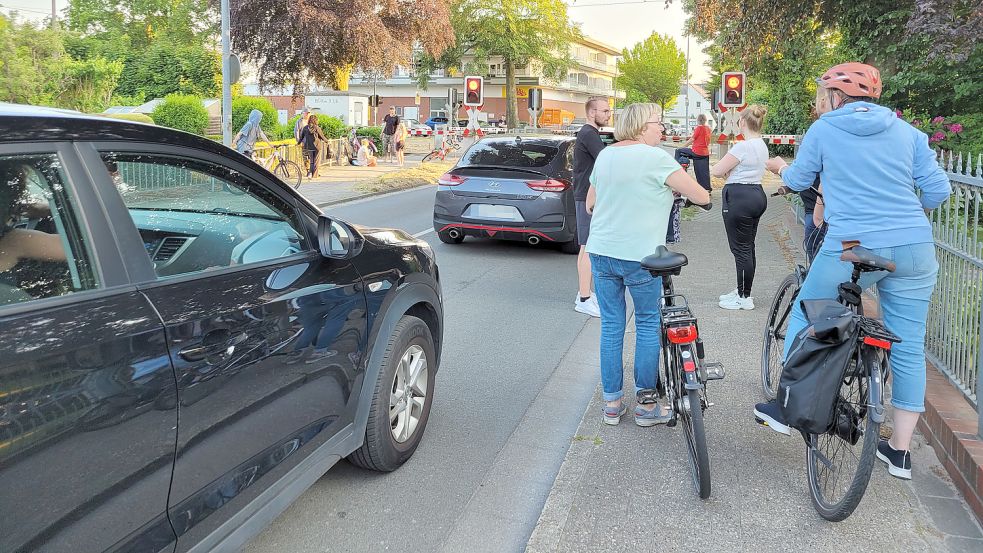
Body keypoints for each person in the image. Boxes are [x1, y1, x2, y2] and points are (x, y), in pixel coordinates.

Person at [754, 62, 950, 481]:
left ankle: (788, 410)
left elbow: (801, 176)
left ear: (835, 97)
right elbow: (937, 190)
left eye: (823, 95)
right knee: (910, 346)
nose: (821, 102)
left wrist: (783, 172)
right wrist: (905, 217)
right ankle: (899, 453)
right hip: (915, 247)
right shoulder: (909, 133)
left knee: (810, 311)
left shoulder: (825, 129)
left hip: (853, 246)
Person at [584, 103, 710, 426]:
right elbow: (701, 196)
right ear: (642, 127)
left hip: (601, 252)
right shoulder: (657, 159)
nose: (662, 129)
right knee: (647, 322)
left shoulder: (606, 156)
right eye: (658, 123)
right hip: (640, 257)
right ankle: (646, 405)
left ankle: (612, 405)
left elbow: (590, 204)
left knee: (612, 326)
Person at [710, 104, 770, 310]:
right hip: (756, 194)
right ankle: (743, 289)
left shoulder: (742, 146)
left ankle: (744, 298)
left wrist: (728, 171)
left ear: (742, 122)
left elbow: (718, 170)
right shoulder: (762, 145)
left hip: (739, 197)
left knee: (741, 249)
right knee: (748, 246)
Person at [571, 97, 612, 318]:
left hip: (586, 195)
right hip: (587, 197)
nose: (608, 114)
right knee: (587, 247)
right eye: (604, 111)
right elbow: (607, 159)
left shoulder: (589, 133)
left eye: (608, 111)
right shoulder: (588, 133)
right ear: (591, 112)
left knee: (586, 246)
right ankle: (584, 298)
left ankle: (584, 293)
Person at [674, 114, 713, 192]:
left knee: (678, 151)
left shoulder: (699, 128)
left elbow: (692, 139)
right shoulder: (708, 129)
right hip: (705, 153)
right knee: (704, 171)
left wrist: (682, 146)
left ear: (698, 120)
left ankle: (677, 169)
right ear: (705, 120)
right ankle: (707, 188)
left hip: (696, 152)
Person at [297, 114, 327, 179]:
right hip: (317, 147)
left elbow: (301, 137)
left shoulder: (305, 128)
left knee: (312, 161)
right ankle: (314, 175)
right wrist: (327, 141)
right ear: (315, 120)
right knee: (316, 161)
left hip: (309, 147)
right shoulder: (317, 128)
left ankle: (310, 174)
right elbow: (322, 137)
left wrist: (298, 143)